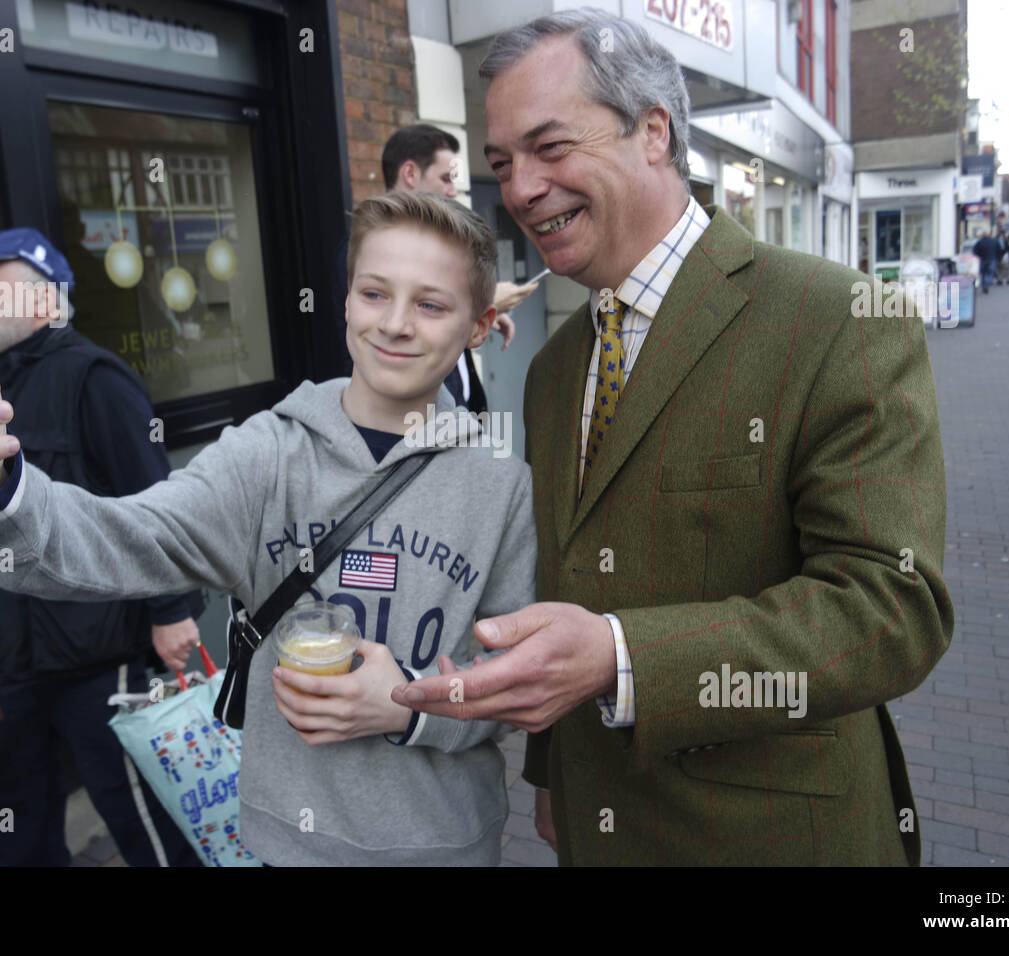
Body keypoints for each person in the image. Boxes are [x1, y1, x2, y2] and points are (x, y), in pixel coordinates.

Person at [391, 9, 953, 866]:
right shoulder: (552, 369)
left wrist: (622, 660)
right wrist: (551, 774)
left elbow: (891, 609)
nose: (521, 190)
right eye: (501, 164)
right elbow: (565, 582)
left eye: (550, 148)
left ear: (653, 132)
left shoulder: (836, 318)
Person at [0, 193, 536, 866]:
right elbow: (120, 539)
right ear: (344, 303)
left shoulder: (500, 483)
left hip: (446, 846)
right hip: (290, 845)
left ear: (478, 326)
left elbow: (516, 680)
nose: (394, 324)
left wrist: (411, 706)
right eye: (373, 293)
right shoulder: (267, 455)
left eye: (430, 304)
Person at [0, 229, 203, 867]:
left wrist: (171, 610)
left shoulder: (93, 377)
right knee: (18, 828)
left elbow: (153, 502)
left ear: (47, 300)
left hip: (97, 657)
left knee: (139, 819)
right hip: (11, 665)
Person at [332, 124, 540, 414]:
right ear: (410, 174)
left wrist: (470, 316)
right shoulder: (360, 253)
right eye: (446, 178)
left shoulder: (443, 252)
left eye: (432, 304)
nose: (453, 190)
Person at [973, 228, 1000, 293]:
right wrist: (998, 257)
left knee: (983, 273)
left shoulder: (980, 242)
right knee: (990, 272)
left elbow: (975, 251)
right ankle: (987, 284)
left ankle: (984, 284)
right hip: (992, 259)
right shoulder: (994, 241)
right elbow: (999, 250)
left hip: (982, 259)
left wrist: (978, 257)